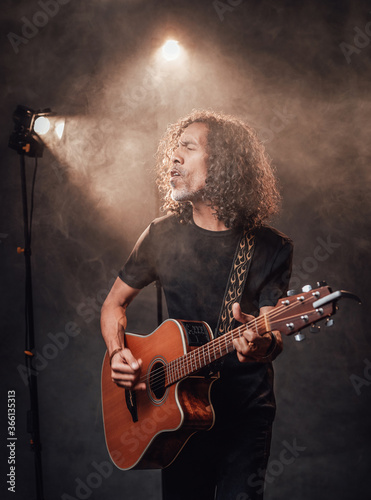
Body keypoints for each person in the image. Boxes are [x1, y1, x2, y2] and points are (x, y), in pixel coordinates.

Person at [100, 109, 293, 499]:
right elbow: (113, 305)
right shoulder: (161, 235)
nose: (174, 157)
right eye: (174, 148)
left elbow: (273, 332)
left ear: (222, 164)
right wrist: (118, 352)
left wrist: (259, 345)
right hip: (176, 416)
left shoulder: (271, 248)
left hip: (244, 413)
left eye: (187, 148)